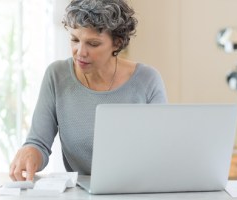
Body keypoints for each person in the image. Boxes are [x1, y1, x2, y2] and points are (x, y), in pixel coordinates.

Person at [9, 0, 167, 181]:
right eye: (75, 40)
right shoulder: (57, 75)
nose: (80, 52)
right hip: (82, 193)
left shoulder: (148, 80)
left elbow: (160, 151)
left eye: (93, 44)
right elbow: (39, 144)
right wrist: (30, 152)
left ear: (117, 43)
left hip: (139, 189)